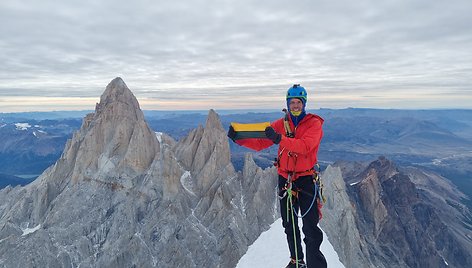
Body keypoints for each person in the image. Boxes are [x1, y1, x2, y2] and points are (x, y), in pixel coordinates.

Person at [227, 84, 326, 268]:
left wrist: (279, 139)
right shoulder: (282, 124)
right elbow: (260, 142)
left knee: (310, 227)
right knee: (289, 224)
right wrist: (239, 139)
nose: (295, 106)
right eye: (292, 102)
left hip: (306, 178)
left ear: (304, 104)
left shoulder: (314, 123)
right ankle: (297, 261)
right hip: (285, 179)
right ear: (287, 104)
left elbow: (305, 147)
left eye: (298, 102)